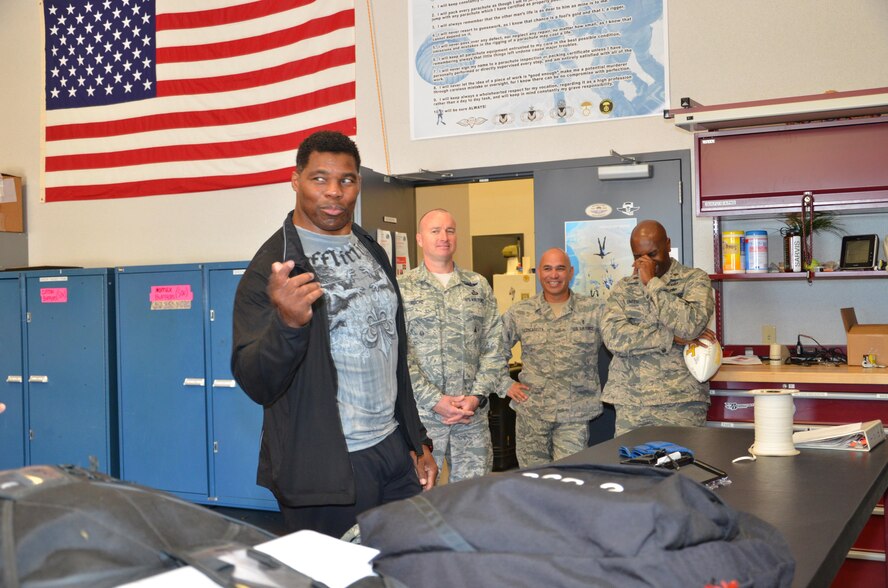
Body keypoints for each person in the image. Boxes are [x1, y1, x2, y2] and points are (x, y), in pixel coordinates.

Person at [231, 130, 437, 538]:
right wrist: (288, 325)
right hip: (325, 463)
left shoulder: (369, 248)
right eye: (319, 179)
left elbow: (393, 355)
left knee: (406, 566)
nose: (334, 192)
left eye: (346, 180)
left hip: (392, 450)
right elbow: (256, 380)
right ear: (296, 180)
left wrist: (418, 441)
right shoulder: (272, 268)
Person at [398, 209, 505, 482]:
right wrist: (435, 400)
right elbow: (397, 354)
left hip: (472, 418)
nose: (444, 237)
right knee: (421, 497)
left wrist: (476, 396)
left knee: (473, 498)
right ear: (420, 239)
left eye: (450, 230)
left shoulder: (477, 286)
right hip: (422, 419)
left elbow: (495, 345)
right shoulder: (402, 288)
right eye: (435, 231)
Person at [600, 220, 716, 436]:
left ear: (668, 245)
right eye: (638, 257)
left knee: (681, 467)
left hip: (680, 402)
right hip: (630, 402)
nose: (645, 263)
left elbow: (690, 326)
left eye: (652, 254)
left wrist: (652, 283)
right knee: (632, 467)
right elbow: (614, 338)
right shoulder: (624, 288)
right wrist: (669, 337)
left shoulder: (694, 279)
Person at [501, 248, 604, 467]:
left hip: (574, 415)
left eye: (560, 269)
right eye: (547, 268)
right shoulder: (520, 312)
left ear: (571, 272)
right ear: (539, 272)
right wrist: (505, 384)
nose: (553, 275)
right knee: (531, 481)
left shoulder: (594, 311)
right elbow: (493, 351)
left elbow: (623, 341)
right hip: (532, 413)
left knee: (569, 479)